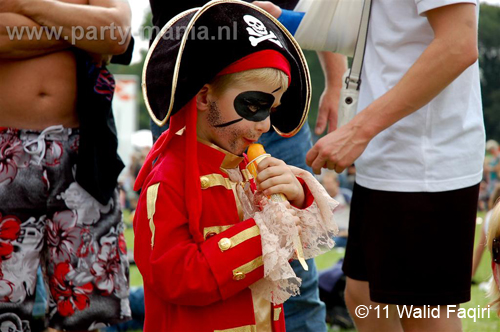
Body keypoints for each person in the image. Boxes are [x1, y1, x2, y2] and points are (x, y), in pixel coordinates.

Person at [257, 0, 484, 331]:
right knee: (362, 297)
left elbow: (458, 45)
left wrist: (357, 130)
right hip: (388, 155)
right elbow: (386, 33)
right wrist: (287, 21)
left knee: (423, 313)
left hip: (422, 162)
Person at [133, 2, 339, 331]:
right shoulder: (167, 181)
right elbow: (177, 278)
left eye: (273, 109)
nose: (266, 125)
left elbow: (300, 245)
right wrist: (266, 232)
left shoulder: (248, 172)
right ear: (203, 97)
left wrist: (298, 195)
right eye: (254, 105)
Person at [0, 1, 133, 331]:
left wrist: (27, 7)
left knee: (93, 310)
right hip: (5, 151)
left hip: (84, 154)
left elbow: (117, 33)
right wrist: (83, 33)